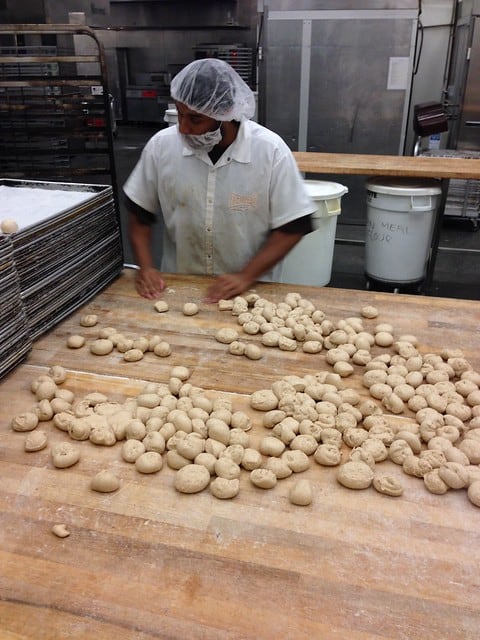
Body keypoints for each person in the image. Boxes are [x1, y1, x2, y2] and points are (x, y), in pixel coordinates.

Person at [123, 57, 317, 302]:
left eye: (195, 119)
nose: (183, 128)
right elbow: (139, 214)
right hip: (179, 288)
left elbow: (293, 226)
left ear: (224, 112)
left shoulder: (270, 151)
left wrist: (246, 276)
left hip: (252, 295)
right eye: (180, 114)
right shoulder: (161, 147)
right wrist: (146, 266)